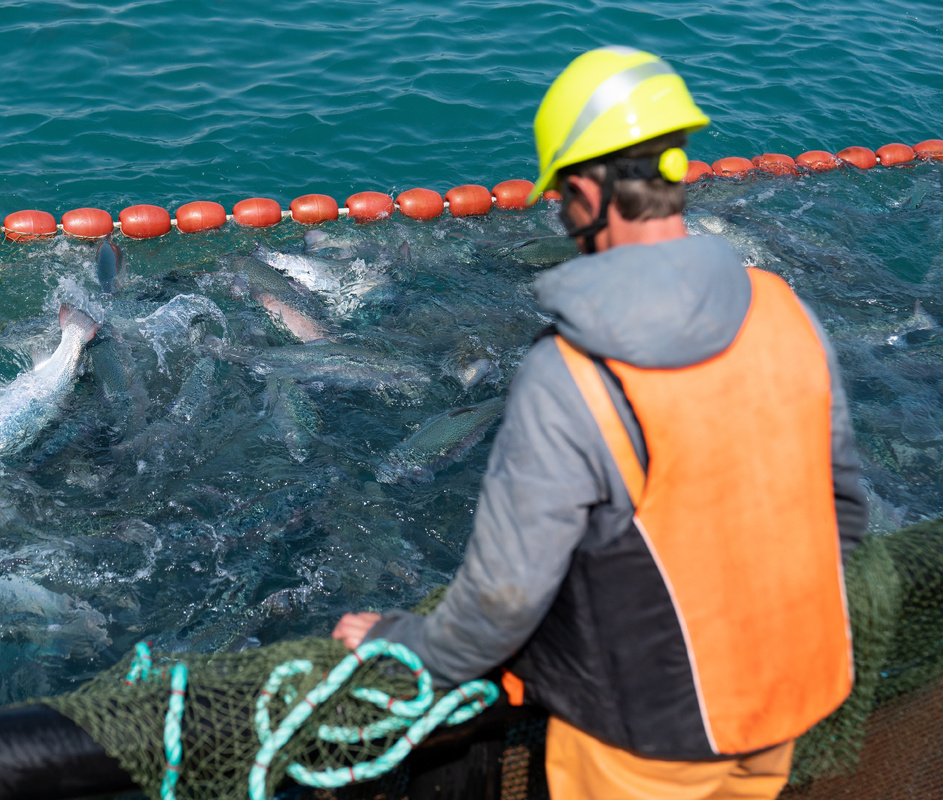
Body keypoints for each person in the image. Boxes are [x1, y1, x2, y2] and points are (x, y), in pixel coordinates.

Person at [333, 46, 867, 800]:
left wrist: (405, 641)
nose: (559, 211)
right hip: (787, 699)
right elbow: (841, 511)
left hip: (645, 741)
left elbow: (503, 601)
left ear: (584, 192)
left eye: (560, 196)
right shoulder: (787, 313)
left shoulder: (571, 372)